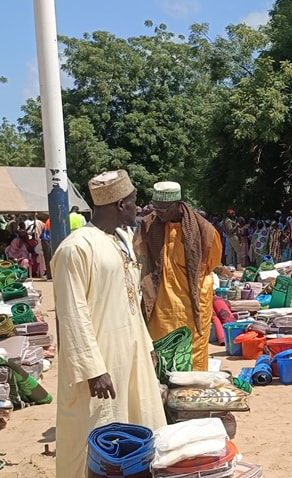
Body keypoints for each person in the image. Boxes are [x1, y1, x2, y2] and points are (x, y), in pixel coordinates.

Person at [53, 170, 165, 478]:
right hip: (100, 363)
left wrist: (146, 344)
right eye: (132, 202)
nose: (137, 208)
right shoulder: (76, 248)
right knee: (95, 433)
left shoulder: (120, 241)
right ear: (118, 205)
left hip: (131, 353)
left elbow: (130, 304)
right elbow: (72, 313)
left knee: (138, 423)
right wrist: (93, 369)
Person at [136, 181, 223, 371]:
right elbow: (139, 255)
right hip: (160, 303)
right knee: (160, 349)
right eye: (156, 207)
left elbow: (212, 261)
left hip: (192, 301)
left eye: (164, 208)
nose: (158, 212)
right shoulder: (148, 225)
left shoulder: (203, 229)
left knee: (192, 352)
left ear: (177, 204)